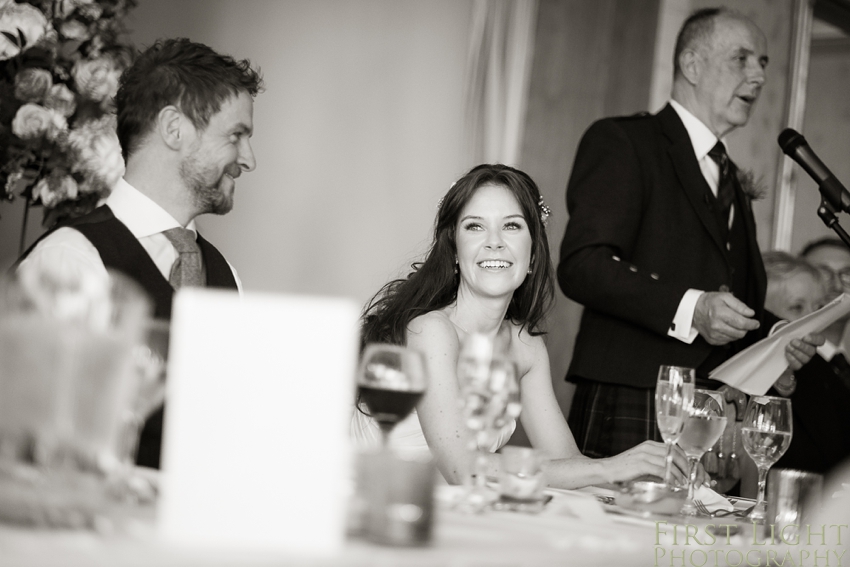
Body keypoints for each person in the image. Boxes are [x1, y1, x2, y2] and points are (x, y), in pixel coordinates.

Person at [557, 7, 820, 461]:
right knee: (620, 533)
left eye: (763, 63)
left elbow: (737, 296)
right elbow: (583, 265)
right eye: (742, 59)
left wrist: (778, 343)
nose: (757, 76)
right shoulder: (625, 141)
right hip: (638, 390)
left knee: (692, 534)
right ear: (692, 64)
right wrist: (691, 309)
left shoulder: (729, 176)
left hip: (715, 405)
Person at [352, 164, 692, 489]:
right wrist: (609, 467)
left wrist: (637, 480)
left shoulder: (525, 347)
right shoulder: (431, 331)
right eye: (475, 226)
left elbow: (568, 463)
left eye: (511, 226)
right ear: (454, 251)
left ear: (532, 255)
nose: (494, 241)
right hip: (375, 509)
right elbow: (462, 469)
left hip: (461, 515)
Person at [15, 38, 264, 468]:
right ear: (174, 128)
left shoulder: (227, 275)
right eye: (236, 135)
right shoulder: (70, 261)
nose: (250, 158)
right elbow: (38, 446)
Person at [763, 249, 850, 475]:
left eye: (818, 308)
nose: (812, 320)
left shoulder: (824, 374)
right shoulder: (737, 383)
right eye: (797, 308)